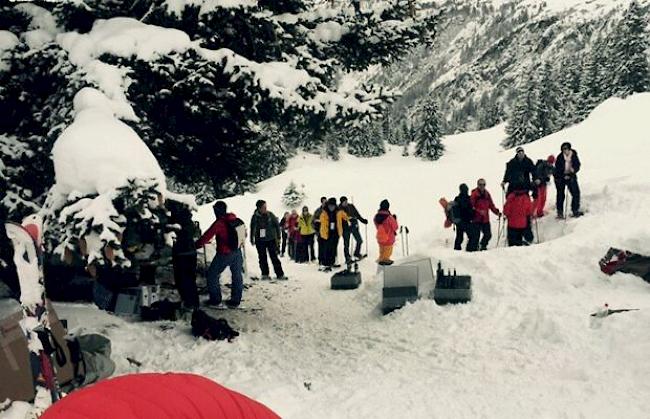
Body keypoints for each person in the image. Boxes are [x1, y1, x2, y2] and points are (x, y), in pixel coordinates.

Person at [195, 201, 244, 307]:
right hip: (237, 251)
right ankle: (235, 301)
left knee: (212, 274)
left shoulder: (220, 223)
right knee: (237, 275)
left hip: (224, 253)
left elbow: (207, 235)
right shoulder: (235, 220)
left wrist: (196, 245)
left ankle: (216, 300)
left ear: (217, 211)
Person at [168, 200, 199, 309]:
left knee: (182, 279)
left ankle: (188, 302)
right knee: (190, 279)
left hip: (181, 254)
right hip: (191, 252)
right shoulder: (189, 221)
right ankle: (193, 303)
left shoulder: (176, 222)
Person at [250, 200, 287, 280]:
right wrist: (251, 238)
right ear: (259, 208)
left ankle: (280, 274)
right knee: (262, 257)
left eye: (266, 207)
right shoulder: (255, 217)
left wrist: (278, 237)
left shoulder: (270, 215)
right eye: (263, 207)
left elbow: (277, 226)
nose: (265, 209)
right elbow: (252, 228)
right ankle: (265, 274)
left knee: (274, 257)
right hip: (260, 240)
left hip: (271, 239)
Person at [469, 179, 501, 251]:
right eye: (480, 184)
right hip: (476, 219)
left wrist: (497, 212)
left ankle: (482, 246)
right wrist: (479, 211)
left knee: (488, 235)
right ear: (478, 185)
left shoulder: (487, 194)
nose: (482, 186)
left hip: (485, 219)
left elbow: (491, 205)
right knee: (475, 237)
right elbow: (471, 206)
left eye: (483, 184)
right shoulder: (474, 194)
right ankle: (473, 251)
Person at [554, 142, 583, 218]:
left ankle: (575, 210)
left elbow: (577, 165)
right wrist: (563, 176)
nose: (565, 151)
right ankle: (560, 212)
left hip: (571, 176)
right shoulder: (560, 157)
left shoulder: (573, 155)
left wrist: (574, 170)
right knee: (560, 195)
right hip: (560, 177)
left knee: (576, 193)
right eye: (563, 149)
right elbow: (557, 169)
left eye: (566, 149)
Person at [339, 197, 368, 261]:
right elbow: (339, 219)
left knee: (359, 240)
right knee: (346, 244)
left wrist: (363, 220)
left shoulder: (351, 206)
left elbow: (357, 214)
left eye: (346, 201)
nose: (346, 203)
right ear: (341, 202)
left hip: (354, 226)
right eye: (344, 202)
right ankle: (347, 257)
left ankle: (356, 253)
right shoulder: (339, 209)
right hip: (345, 228)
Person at [319, 198, 344, 269]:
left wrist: (349, 220)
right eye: (330, 206)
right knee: (326, 248)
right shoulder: (324, 212)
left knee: (333, 248)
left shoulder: (338, 212)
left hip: (335, 233)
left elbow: (344, 216)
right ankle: (325, 263)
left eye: (333, 206)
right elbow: (320, 220)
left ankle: (332, 262)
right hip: (327, 233)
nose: (331, 207)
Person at [373, 199, 399, 265]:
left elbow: (377, 226)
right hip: (388, 239)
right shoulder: (389, 217)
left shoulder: (376, 217)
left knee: (382, 255)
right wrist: (394, 219)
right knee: (386, 258)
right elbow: (395, 227)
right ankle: (384, 271)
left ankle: (378, 268)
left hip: (380, 238)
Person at [453, 183, 476, 251]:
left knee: (459, 238)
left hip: (459, 222)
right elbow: (471, 209)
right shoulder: (469, 198)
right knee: (471, 236)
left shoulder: (457, 199)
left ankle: (456, 251)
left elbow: (455, 210)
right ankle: (469, 250)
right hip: (467, 221)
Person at [313, 197, 327, 266]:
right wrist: (316, 230)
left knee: (327, 246)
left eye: (326, 201)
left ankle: (327, 260)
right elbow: (313, 220)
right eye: (323, 201)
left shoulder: (329, 210)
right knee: (321, 246)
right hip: (319, 231)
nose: (325, 203)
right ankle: (320, 260)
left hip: (327, 232)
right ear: (321, 202)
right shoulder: (318, 211)